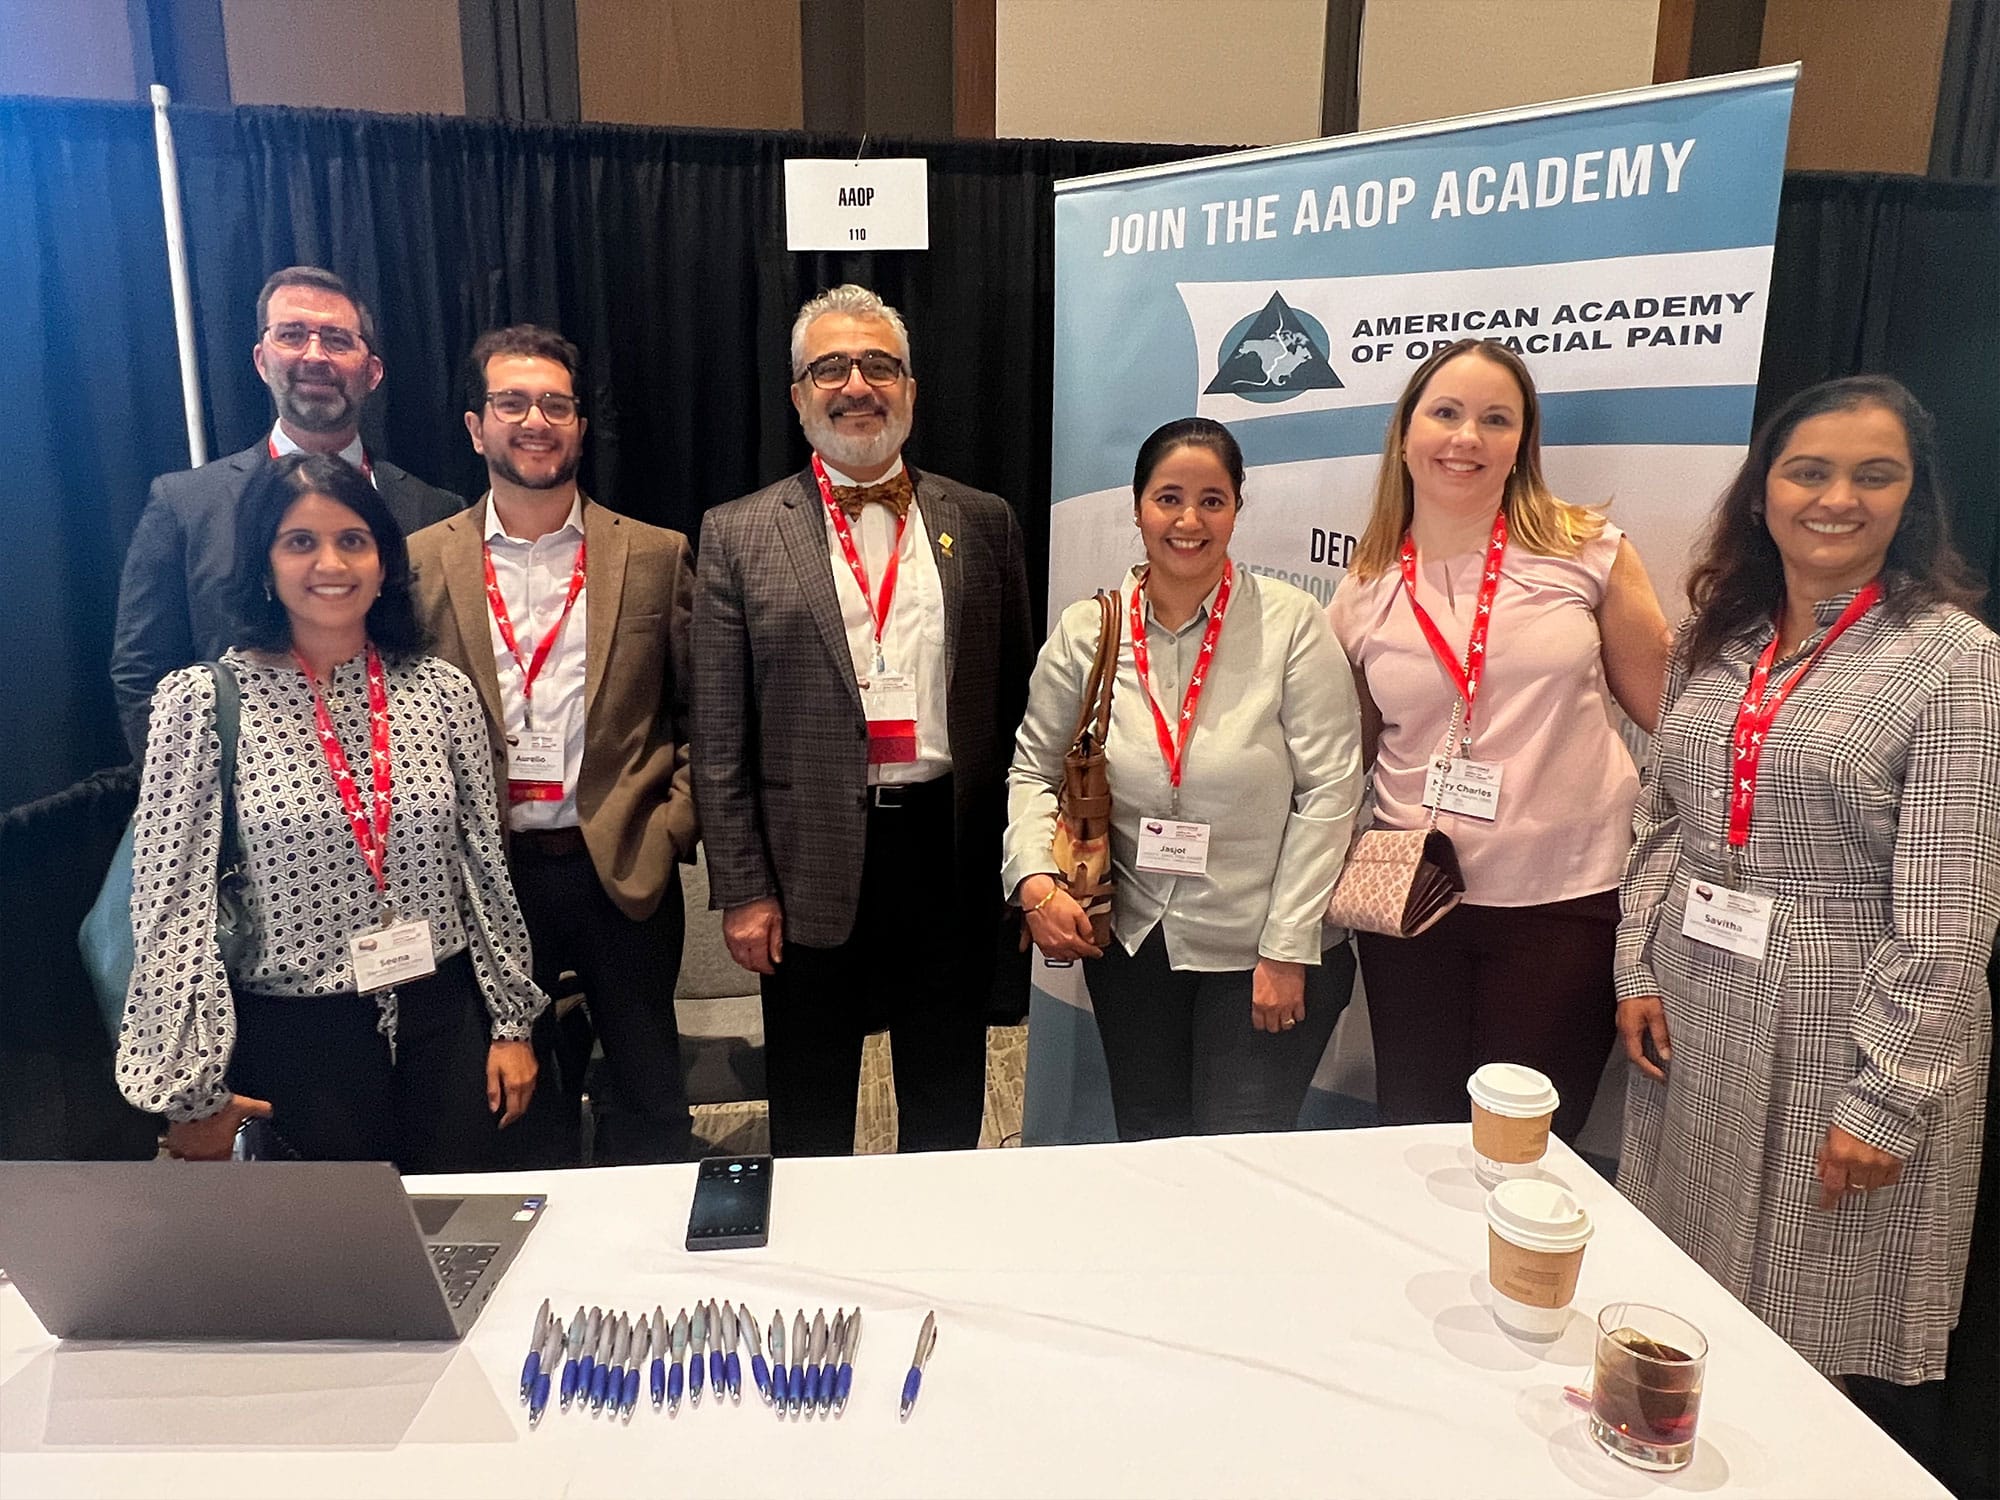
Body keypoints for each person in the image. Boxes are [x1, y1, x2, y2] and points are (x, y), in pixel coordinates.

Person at [1615, 376, 1998, 1403]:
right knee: (1678, 1297)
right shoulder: (1719, 639)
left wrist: (1885, 1102)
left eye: (1873, 476)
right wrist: (1632, 965)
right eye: (1807, 471)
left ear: (1908, 500)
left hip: (1839, 1026)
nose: (1836, 498)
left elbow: (1950, 910)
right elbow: (1660, 819)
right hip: (1693, 1009)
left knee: (1798, 1333)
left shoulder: (1948, 660)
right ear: (1760, 493)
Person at [116, 453, 545, 1169]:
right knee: (337, 1272)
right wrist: (190, 1092)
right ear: (263, 565)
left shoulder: (439, 691)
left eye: (352, 540)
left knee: (468, 1250)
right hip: (294, 1040)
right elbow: (169, 906)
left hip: (442, 1019)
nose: (330, 563)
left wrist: (511, 1022)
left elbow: (483, 868)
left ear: (384, 563)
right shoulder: (200, 703)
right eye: (299, 542)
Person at [691, 284, 1033, 1156]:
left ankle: (937, 1263)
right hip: (807, 861)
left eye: (879, 364)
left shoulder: (984, 523)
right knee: (808, 1104)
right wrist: (742, 889)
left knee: (947, 1089)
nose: (857, 384)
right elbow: (720, 737)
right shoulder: (736, 534)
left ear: (911, 389)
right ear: (799, 395)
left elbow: (1015, 703)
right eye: (830, 367)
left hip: (947, 852)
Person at [1326, 337, 1671, 1141]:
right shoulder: (1365, 587)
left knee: (1527, 1146)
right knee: (1414, 1133)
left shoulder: (1588, 551)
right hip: (1415, 904)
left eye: (1495, 419)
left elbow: (1672, 716)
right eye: (1445, 413)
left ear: (1523, 441)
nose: (1467, 438)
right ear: (1405, 433)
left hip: (1565, 902)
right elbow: (1350, 759)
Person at [1005, 418, 1362, 1139]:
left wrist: (1289, 946)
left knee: (1241, 1159)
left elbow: (1331, 791)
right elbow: (1033, 769)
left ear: (1236, 508)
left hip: (1263, 947)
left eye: (1212, 500)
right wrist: (1033, 878)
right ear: (1138, 506)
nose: (1189, 521)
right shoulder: (1088, 632)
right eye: (1169, 498)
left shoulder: (1291, 624)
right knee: (1151, 1146)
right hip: (1136, 943)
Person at [409, 325, 698, 1166]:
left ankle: (654, 1275)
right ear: (475, 425)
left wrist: (671, 826)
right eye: (511, 402)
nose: (534, 420)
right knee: (513, 1107)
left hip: (622, 872)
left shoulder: (654, 554)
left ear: (578, 425)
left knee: (652, 1102)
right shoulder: (420, 562)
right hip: (487, 879)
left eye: (555, 404)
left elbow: (699, 713)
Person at [111, 266, 464, 755]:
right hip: (245, 811)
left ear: (373, 371)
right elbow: (141, 673)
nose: (314, 355)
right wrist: (200, 790)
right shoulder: (185, 506)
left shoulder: (434, 510)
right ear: (261, 359)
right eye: (292, 335)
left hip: (398, 805)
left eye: (338, 340)